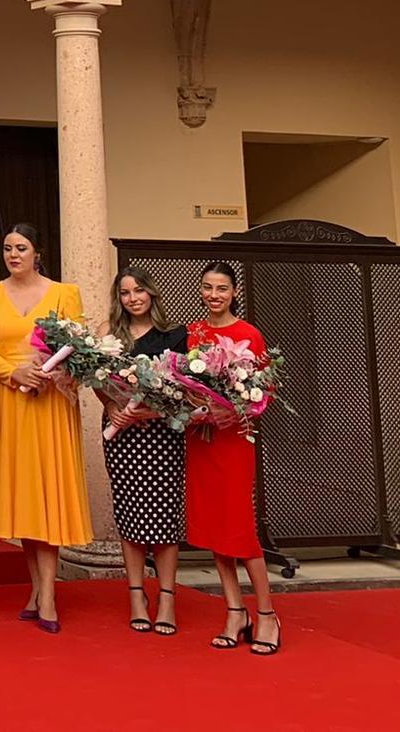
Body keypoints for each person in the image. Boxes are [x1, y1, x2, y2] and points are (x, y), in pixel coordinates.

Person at [0, 223, 92, 633]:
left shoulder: (64, 293)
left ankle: (48, 594)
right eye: (7, 248)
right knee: (23, 495)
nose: (13, 255)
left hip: (49, 401)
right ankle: (37, 589)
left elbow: (77, 347)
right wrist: (14, 373)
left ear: (36, 252)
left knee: (48, 492)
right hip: (9, 399)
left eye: (21, 248)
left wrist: (50, 373)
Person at [186, 261, 283, 655]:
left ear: (234, 293)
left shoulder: (249, 335)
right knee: (212, 527)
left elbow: (265, 391)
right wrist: (193, 402)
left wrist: (236, 410)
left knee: (239, 528)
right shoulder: (194, 332)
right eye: (208, 287)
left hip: (232, 441)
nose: (214, 295)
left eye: (221, 288)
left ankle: (266, 614)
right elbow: (184, 382)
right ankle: (233, 610)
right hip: (201, 439)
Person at [103, 265, 187, 636]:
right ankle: (136, 595)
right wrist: (110, 407)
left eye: (138, 290)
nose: (132, 298)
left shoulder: (174, 335)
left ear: (151, 293)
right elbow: (97, 379)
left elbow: (185, 389)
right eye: (125, 292)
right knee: (130, 514)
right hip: (123, 436)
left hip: (163, 435)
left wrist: (151, 409)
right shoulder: (110, 337)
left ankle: (166, 597)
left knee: (165, 519)